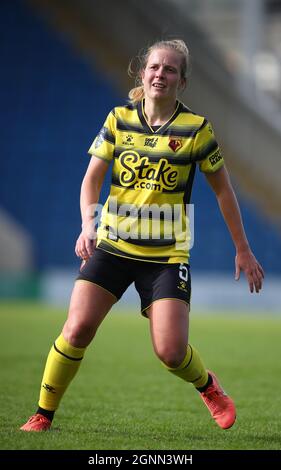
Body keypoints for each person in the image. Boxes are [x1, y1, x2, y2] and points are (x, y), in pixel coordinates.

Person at [21, 39, 264, 432]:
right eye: (154, 67)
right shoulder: (118, 119)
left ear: (181, 82)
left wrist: (243, 249)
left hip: (166, 256)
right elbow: (91, 180)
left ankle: (209, 387)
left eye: (170, 70)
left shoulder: (196, 129)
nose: (160, 75)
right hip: (113, 246)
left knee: (169, 352)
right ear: (142, 72)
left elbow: (223, 190)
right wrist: (88, 224)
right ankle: (43, 415)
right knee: (77, 328)